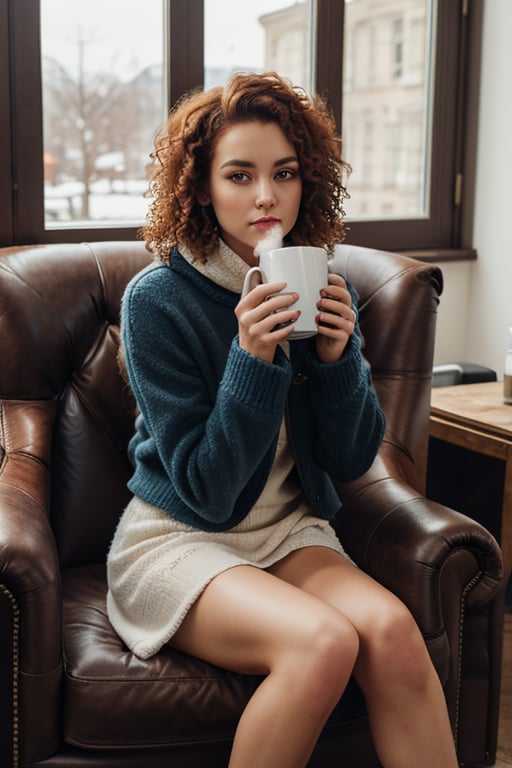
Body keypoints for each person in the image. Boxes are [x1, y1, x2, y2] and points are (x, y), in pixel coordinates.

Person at [107, 71, 459, 768]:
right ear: (202, 187)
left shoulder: (325, 286)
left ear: (308, 183)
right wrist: (253, 358)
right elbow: (207, 494)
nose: (266, 196)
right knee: (323, 642)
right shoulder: (157, 301)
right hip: (179, 537)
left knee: (390, 631)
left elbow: (356, 459)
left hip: (287, 530)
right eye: (239, 175)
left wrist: (335, 360)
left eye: (284, 173)